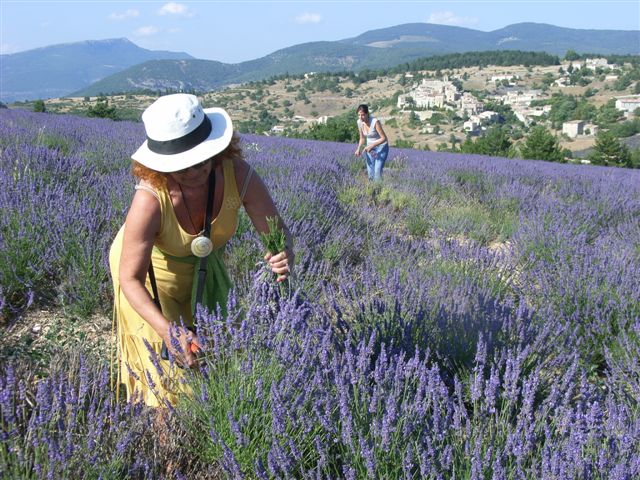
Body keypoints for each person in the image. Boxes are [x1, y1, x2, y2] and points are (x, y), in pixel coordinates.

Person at [109, 93, 294, 407]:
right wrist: (168, 330)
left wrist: (284, 253)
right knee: (165, 375)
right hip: (150, 277)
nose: (194, 171)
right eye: (182, 165)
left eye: (201, 159)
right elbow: (130, 280)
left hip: (203, 269)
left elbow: (279, 233)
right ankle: (165, 442)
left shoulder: (238, 175)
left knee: (215, 356)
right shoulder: (150, 200)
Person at [354, 104, 389, 182]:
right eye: (359, 115)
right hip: (370, 149)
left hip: (382, 148)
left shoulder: (375, 122)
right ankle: (372, 190)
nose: (360, 117)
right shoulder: (359, 122)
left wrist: (372, 145)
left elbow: (384, 138)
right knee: (370, 172)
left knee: (377, 171)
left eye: (362, 115)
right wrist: (358, 149)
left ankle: (379, 190)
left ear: (367, 114)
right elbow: (362, 138)